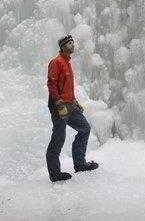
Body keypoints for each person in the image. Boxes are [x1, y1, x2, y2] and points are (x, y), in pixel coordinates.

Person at [45, 34, 99, 182]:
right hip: (60, 106)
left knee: (84, 128)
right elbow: (52, 84)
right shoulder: (56, 62)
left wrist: (74, 101)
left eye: (73, 43)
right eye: (69, 43)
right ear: (63, 47)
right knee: (58, 138)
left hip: (70, 105)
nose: (72, 45)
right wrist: (58, 103)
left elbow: (67, 86)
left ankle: (80, 164)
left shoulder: (68, 62)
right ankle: (55, 173)